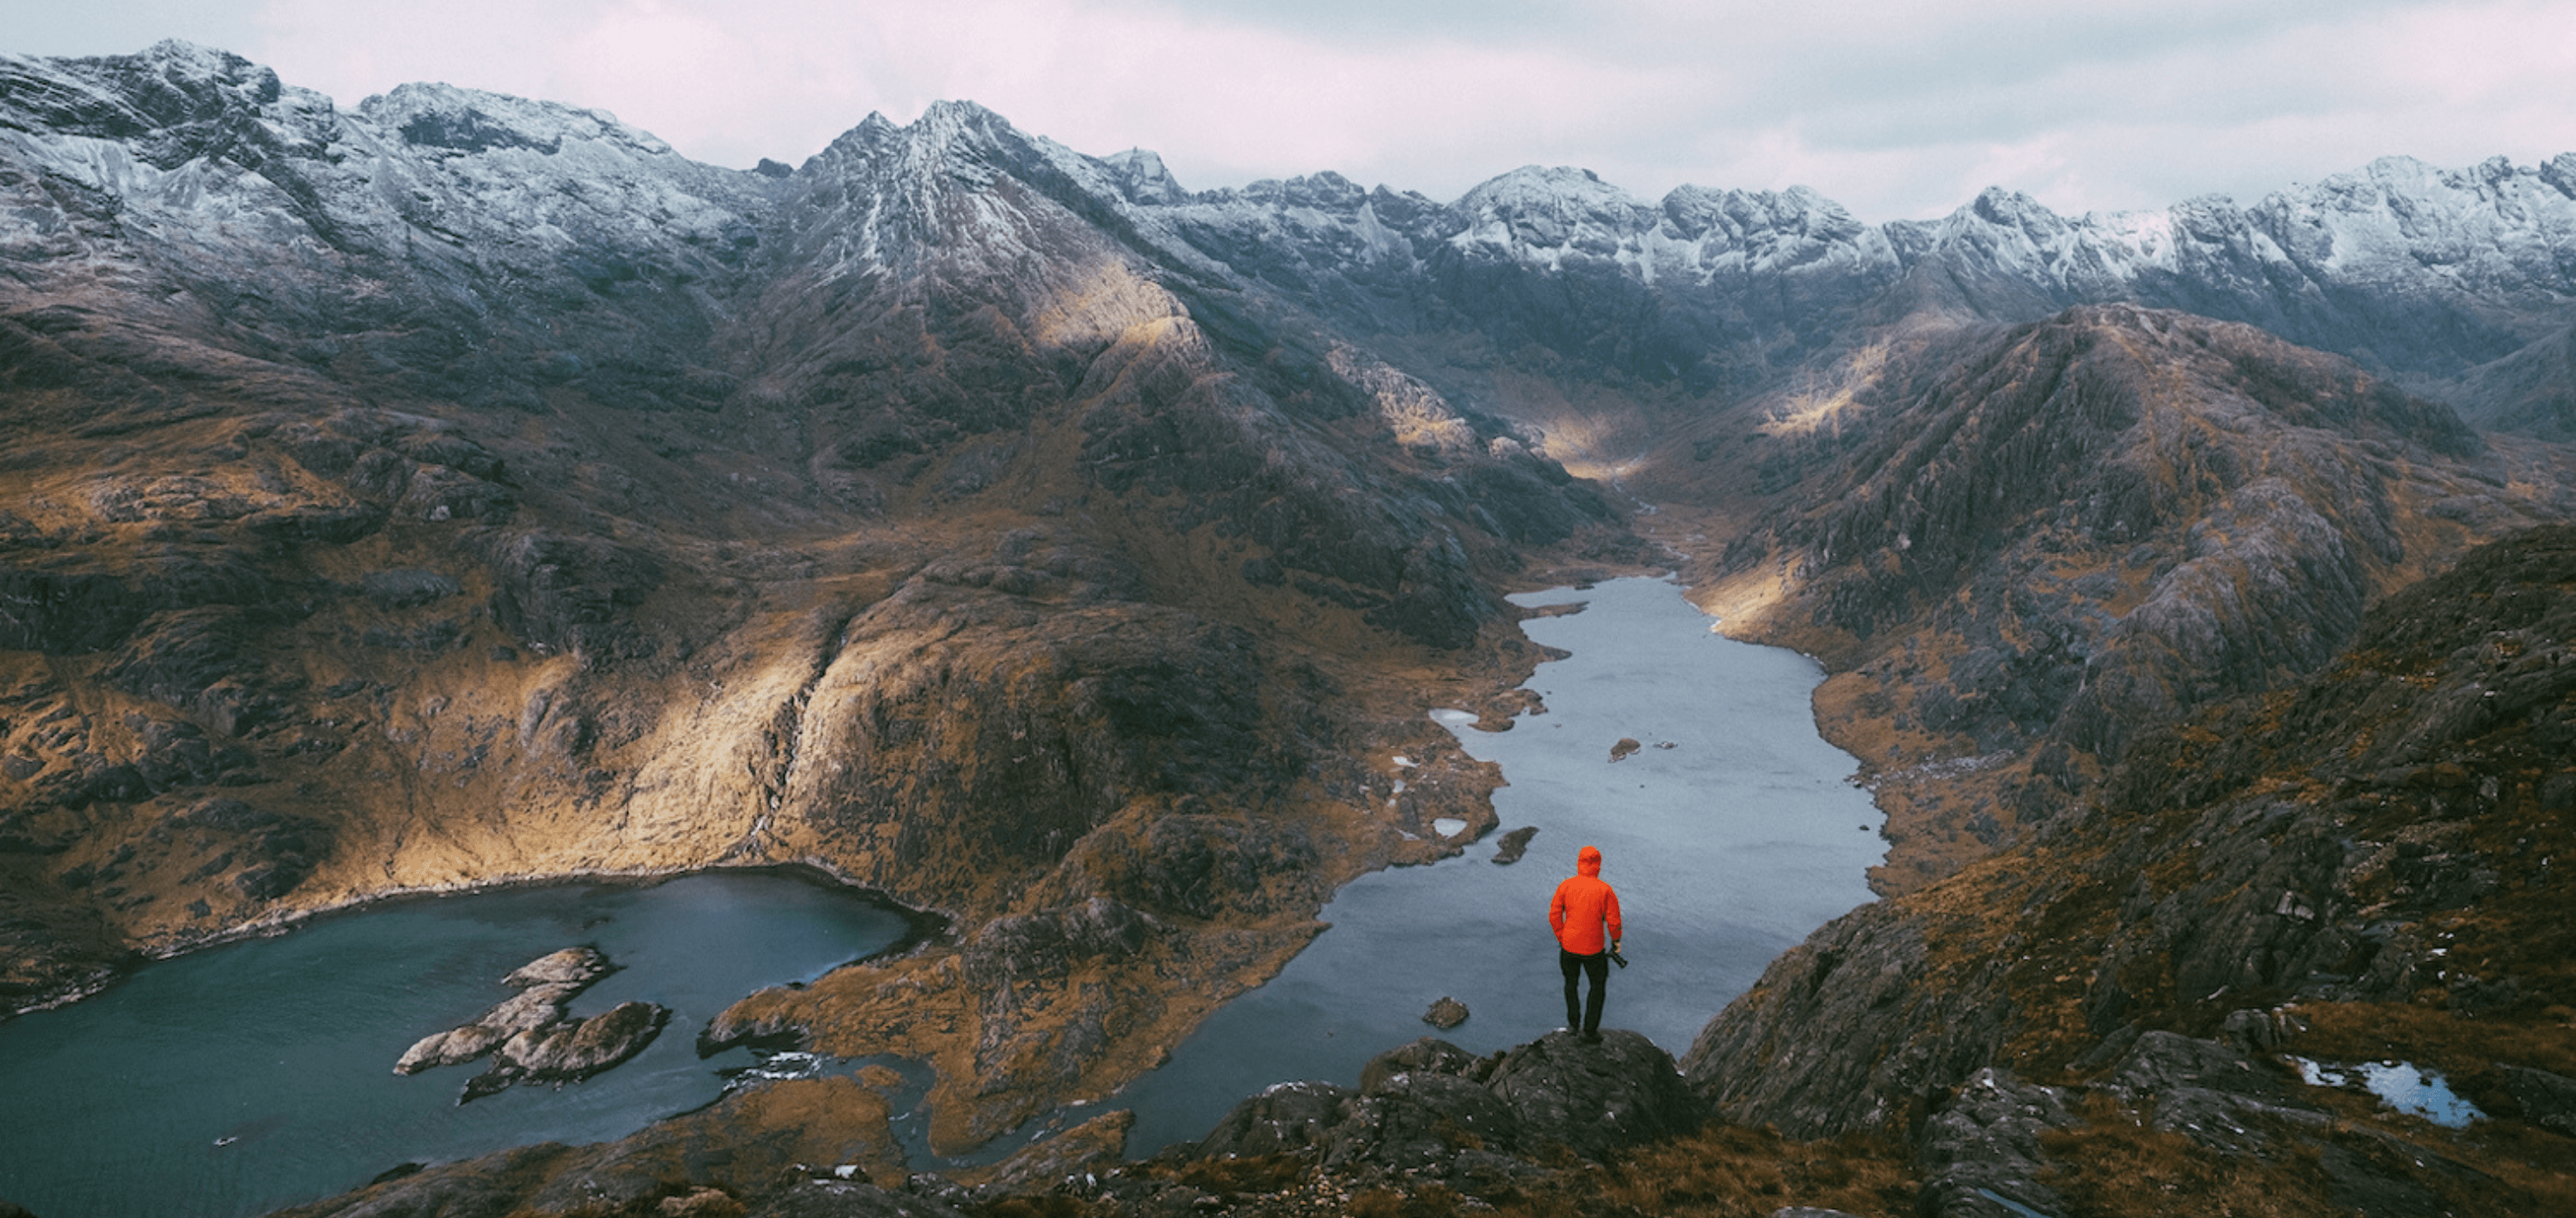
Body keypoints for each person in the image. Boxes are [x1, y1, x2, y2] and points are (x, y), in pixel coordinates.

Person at [1548, 844, 1623, 1043]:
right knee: (1597, 986)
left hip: (1568, 947)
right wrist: (1616, 943)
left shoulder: (1566, 885)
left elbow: (1554, 914)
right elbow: (1614, 922)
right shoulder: (1605, 890)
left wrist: (1561, 936)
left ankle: (1573, 1025)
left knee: (1570, 984)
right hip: (1594, 949)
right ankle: (1589, 1031)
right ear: (1598, 865)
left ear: (1579, 862)